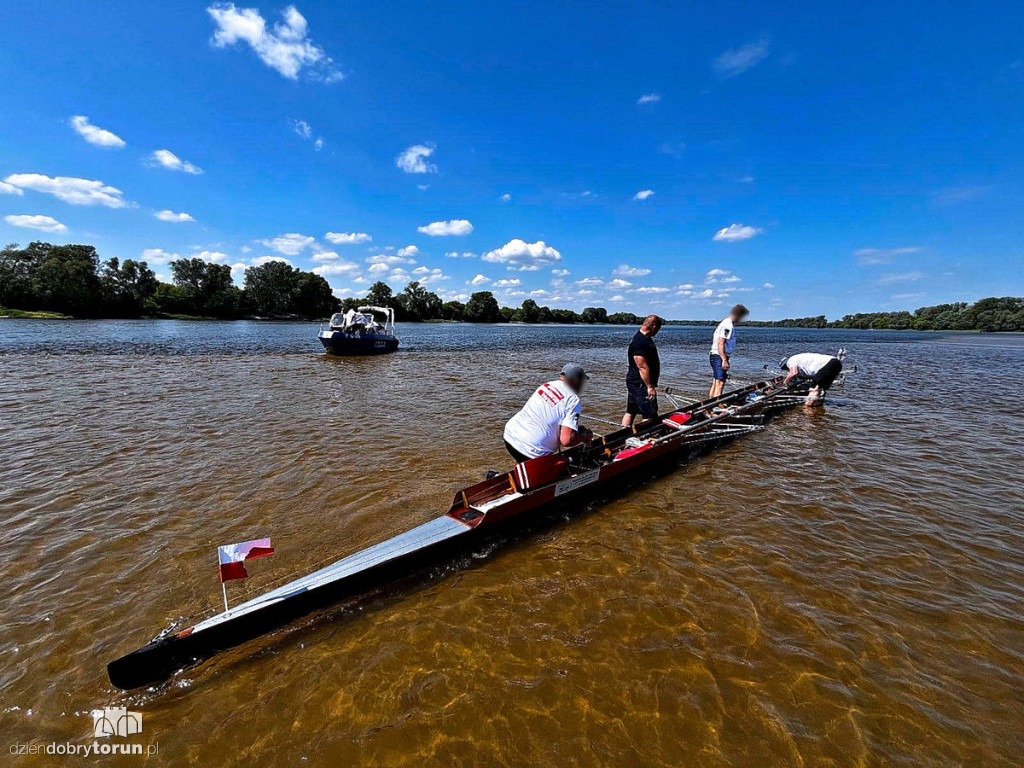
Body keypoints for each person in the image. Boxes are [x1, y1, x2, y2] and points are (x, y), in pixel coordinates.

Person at [503, 363, 594, 462]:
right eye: (582, 382)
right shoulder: (573, 399)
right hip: (532, 451)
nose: (582, 386)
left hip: (510, 436)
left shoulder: (547, 385)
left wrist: (576, 432)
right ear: (576, 380)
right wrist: (584, 436)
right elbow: (567, 440)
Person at [622, 314, 663, 427]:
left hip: (635, 382)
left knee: (631, 411)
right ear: (653, 327)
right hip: (641, 384)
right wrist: (650, 386)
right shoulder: (640, 342)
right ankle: (648, 437)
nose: (657, 332)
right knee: (650, 415)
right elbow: (642, 366)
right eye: (658, 329)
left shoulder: (645, 339)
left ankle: (625, 434)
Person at [709, 304, 750, 398]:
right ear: (738, 315)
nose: (740, 320)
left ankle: (710, 402)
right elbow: (720, 342)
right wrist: (724, 360)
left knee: (716, 381)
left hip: (716, 355)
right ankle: (715, 406)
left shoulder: (725, 322)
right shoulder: (728, 326)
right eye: (741, 317)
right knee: (720, 383)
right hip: (719, 356)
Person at [779, 353, 843, 405]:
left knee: (813, 389)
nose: (787, 370)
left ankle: (808, 408)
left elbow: (793, 373)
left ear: (785, 365)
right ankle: (818, 405)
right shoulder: (799, 360)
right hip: (837, 363)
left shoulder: (790, 361)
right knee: (821, 389)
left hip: (828, 364)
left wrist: (785, 382)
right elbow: (805, 376)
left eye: (785, 368)